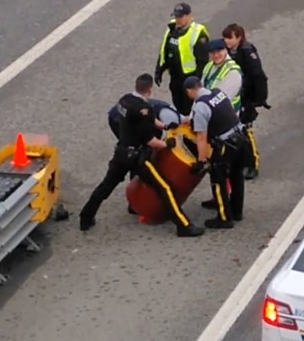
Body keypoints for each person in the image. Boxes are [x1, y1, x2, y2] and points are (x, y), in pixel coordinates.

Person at [80, 73, 204, 238]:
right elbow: (151, 140)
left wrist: (165, 126)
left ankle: (86, 217)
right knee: (165, 188)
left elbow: (150, 121)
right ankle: (183, 226)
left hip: (121, 153)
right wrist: (167, 144)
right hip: (136, 157)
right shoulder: (144, 109)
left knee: (106, 185)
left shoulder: (126, 100)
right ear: (150, 90)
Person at [183, 76, 246, 229]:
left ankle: (224, 218)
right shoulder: (218, 93)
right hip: (241, 139)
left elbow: (202, 137)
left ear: (191, 91)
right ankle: (237, 211)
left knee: (218, 179)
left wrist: (202, 161)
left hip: (226, 145)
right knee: (237, 176)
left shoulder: (200, 106)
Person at [223, 24, 269, 180]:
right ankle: (240, 160)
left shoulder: (247, 53)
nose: (226, 41)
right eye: (225, 37)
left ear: (239, 37)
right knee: (236, 130)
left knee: (246, 131)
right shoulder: (228, 51)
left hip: (247, 98)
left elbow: (259, 77)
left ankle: (252, 164)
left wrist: (259, 100)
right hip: (236, 96)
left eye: (230, 38)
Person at [155, 3, 211, 115]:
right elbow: (164, 50)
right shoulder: (171, 28)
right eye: (176, 17)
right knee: (178, 103)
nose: (177, 20)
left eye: (180, 17)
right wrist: (159, 70)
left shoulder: (198, 33)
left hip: (190, 77)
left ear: (190, 16)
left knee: (190, 108)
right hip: (175, 76)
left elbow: (203, 61)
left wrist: (198, 81)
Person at [201, 38, 243, 111]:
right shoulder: (209, 66)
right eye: (212, 53)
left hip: (227, 114)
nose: (216, 55)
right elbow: (201, 88)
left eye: (218, 51)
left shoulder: (233, 71)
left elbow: (223, 99)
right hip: (210, 109)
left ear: (225, 51)